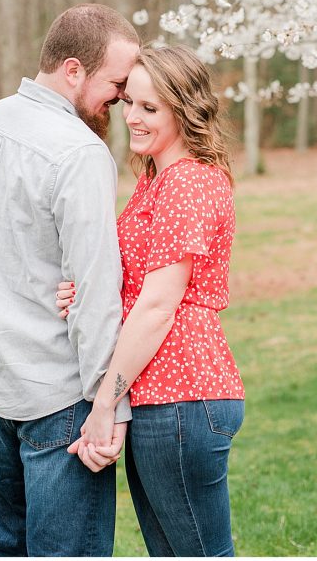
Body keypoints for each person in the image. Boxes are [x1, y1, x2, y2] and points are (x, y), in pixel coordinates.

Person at [0, 3, 140, 556]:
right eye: (116, 83)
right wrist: (111, 406)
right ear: (73, 70)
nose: (121, 98)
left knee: (6, 545)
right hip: (59, 396)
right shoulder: (80, 152)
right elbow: (94, 292)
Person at [56, 45, 246, 556]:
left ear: (184, 110)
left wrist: (104, 401)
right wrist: (85, 291)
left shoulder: (187, 182)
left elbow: (160, 305)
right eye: (130, 104)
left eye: (150, 108)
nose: (133, 118)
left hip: (182, 394)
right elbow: (137, 281)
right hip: (161, 397)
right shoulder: (155, 180)